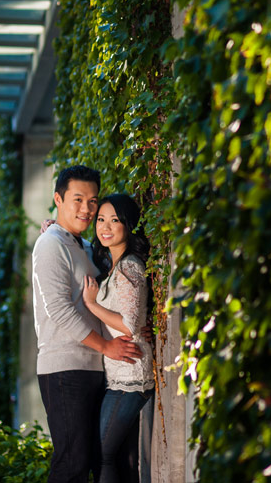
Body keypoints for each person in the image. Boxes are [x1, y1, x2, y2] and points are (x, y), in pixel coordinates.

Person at [32, 166, 143, 483]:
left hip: (95, 367)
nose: (86, 209)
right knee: (72, 465)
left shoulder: (83, 246)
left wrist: (129, 329)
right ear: (58, 198)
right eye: (77, 199)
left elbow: (110, 299)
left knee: (102, 459)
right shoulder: (50, 244)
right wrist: (107, 345)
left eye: (93, 201)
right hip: (65, 369)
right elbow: (59, 310)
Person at [82, 194, 155, 483]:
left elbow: (129, 324)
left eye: (115, 220)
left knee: (104, 455)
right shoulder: (114, 266)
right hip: (121, 375)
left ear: (128, 225)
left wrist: (92, 305)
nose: (106, 226)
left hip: (130, 377)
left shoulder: (129, 267)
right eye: (101, 219)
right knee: (124, 457)